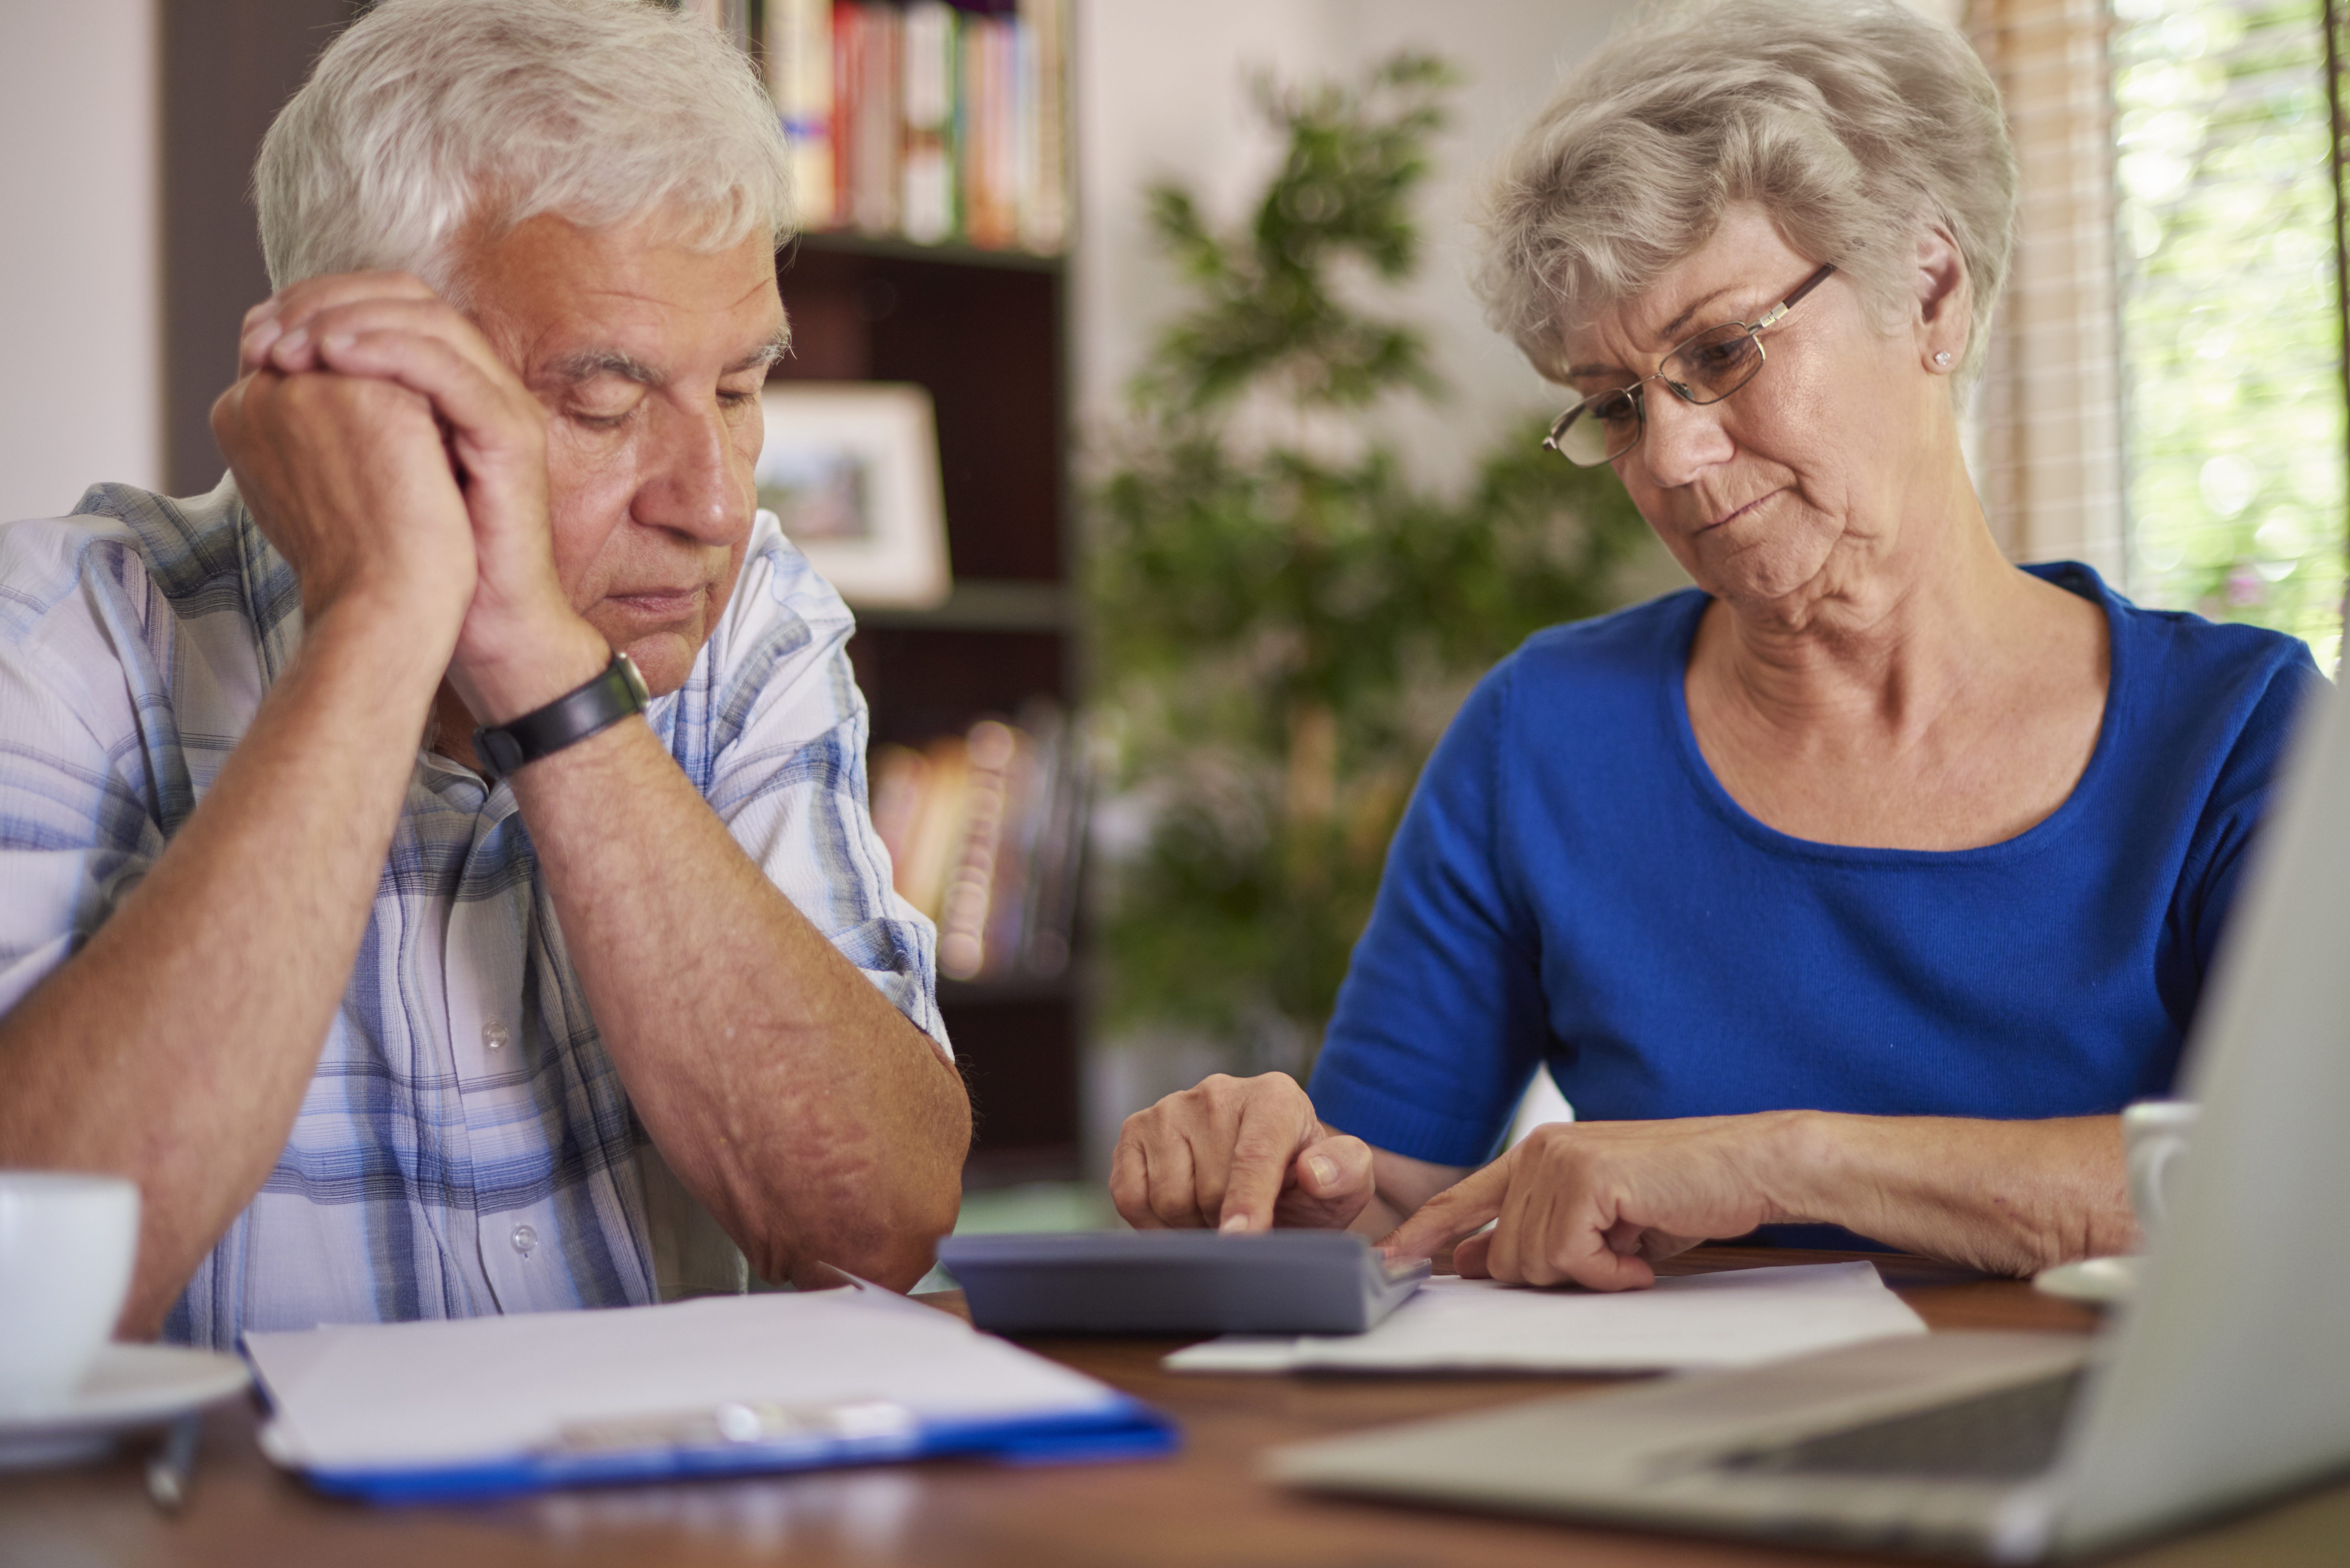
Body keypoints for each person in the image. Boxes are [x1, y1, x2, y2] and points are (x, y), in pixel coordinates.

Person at [1111, 0, 2323, 1289]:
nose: (1673, 459)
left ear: (1928, 290)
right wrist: (1276, 1190)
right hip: (1669, 1464)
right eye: (1615, 406)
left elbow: (2308, 1174)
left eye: (1720, 351)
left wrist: (1778, 1164)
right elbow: (1395, 1206)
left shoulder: (2238, 734)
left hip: (2107, 1473)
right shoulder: (1546, 736)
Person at [0, 0, 970, 1347]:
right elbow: (28, 1300)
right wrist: (381, 617)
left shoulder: (748, 626)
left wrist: (541, 672)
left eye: (741, 392)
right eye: (604, 402)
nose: (711, 501)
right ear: (358, 384)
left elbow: (874, 1222)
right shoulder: (56, 641)